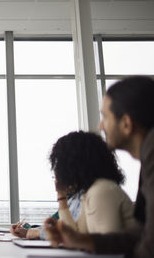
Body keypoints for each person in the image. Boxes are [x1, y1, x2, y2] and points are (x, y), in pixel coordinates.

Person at [44, 76, 154, 258]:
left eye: (105, 117)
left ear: (126, 124)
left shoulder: (151, 154)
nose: (100, 125)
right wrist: (80, 240)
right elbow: (140, 234)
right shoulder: (146, 161)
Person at [50, 131, 136, 234]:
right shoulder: (92, 191)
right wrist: (61, 196)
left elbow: (108, 245)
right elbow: (76, 233)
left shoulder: (102, 190)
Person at [11, 193, 81, 239]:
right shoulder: (72, 199)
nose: (56, 182)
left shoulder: (83, 198)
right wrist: (27, 231)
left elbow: (74, 233)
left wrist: (37, 233)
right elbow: (52, 225)